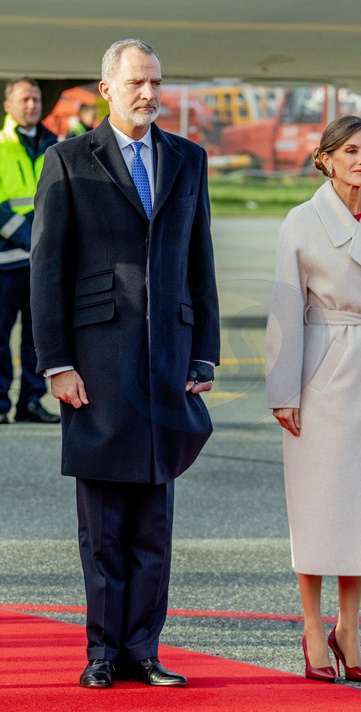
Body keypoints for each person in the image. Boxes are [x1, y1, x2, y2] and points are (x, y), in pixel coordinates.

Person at [30, 39, 220, 689]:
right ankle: (103, 652)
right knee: (104, 525)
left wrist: (204, 353)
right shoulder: (67, 160)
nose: (149, 93)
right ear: (106, 88)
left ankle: (144, 649)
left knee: (153, 524)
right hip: (98, 364)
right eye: (137, 82)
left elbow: (200, 261)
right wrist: (56, 362)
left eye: (156, 82)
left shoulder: (188, 158)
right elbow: (47, 268)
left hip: (167, 363)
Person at [265, 115, 361, 684]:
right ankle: (312, 628)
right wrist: (283, 391)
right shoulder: (301, 221)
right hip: (319, 378)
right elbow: (285, 309)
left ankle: (348, 631)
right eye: (351, 151)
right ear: (325, 159)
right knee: (316, 508)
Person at [0, 77, 60, 425]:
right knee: (0, 336)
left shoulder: (55, 145)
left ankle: (31, 402)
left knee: (38, 337)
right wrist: (32, 239)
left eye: (36, 99)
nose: (32, 105)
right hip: (6, 261)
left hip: (43, 263)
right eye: (24, 99)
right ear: (8, 105)